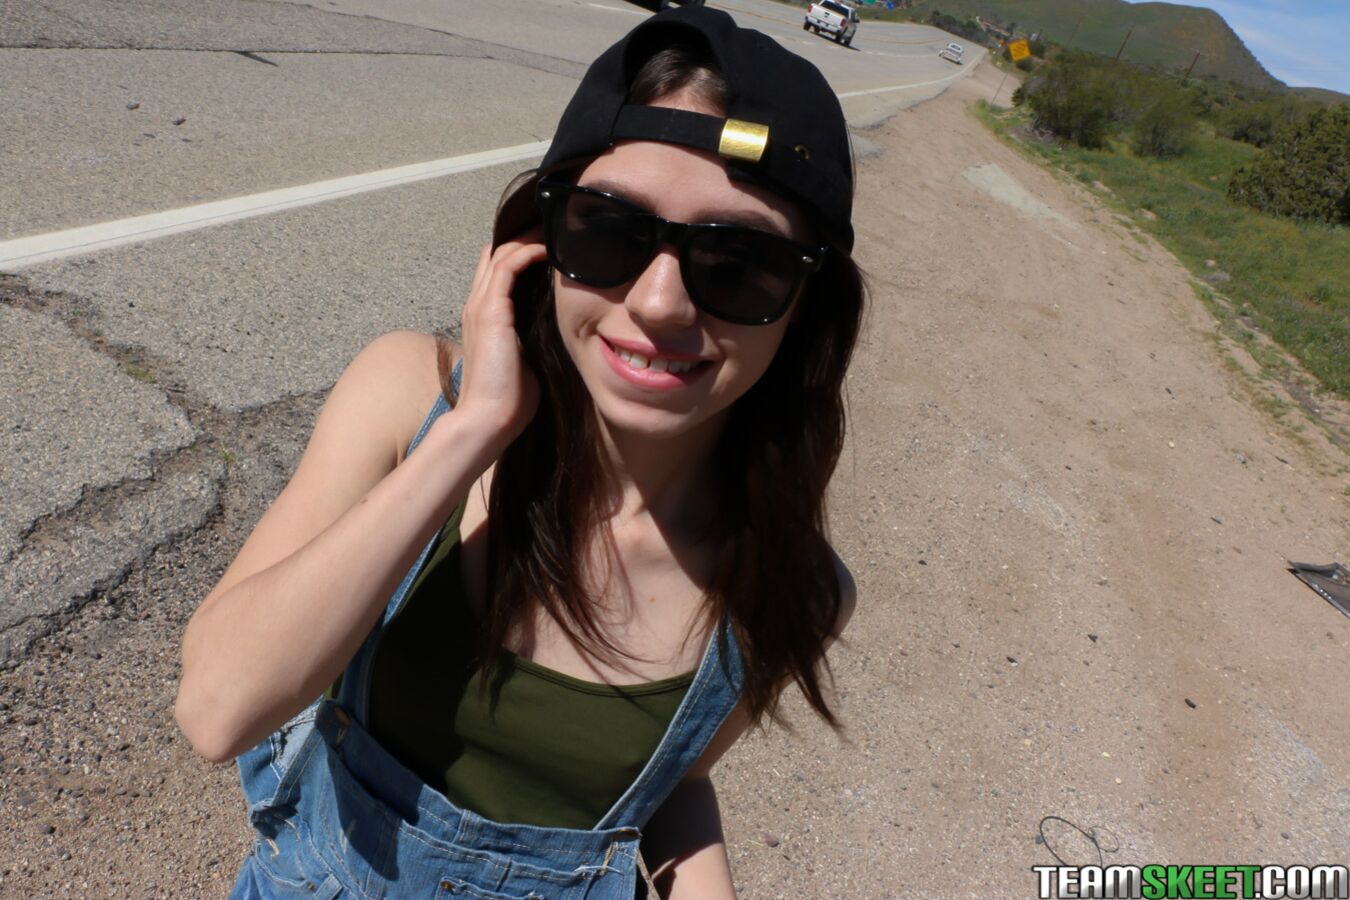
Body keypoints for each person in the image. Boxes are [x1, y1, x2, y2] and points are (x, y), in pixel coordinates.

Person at [174, 6, 865, 897]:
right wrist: (471, 434)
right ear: (540, 243)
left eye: (738, 264)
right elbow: (218, 709)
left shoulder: (791, 587)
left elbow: (672, 781)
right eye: (609, 230)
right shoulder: (409, 399)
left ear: (807, 308)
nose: (659, 302)